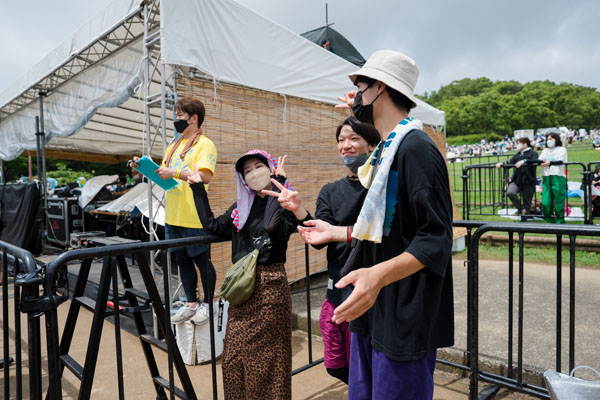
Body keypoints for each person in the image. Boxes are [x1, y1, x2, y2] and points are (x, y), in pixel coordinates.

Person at [298, 50, 454, 399]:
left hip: (404, 312)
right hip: (373, 312)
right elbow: (385, 226)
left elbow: (435, 238)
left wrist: (378, 275)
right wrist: (335, 232)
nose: (356, 97)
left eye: (360, 88)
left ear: (379, 87)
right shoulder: (386, 150)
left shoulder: (416, 149)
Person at [263, 116, 380, 384]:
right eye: (341, 140)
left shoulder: (380, 189)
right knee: (336, 366)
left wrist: (341, 232)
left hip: (369, 294)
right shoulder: (330, 190)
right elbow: (319, 238)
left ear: (372, 146)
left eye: (354, 138)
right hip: (336, 292)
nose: (345, 145)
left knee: (368, 370)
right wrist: (298, 210)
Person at [188, 149, 296, 399]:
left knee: (266, 363)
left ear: (270, 169)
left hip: (270, 289)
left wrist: (279, 184)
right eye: (247, 171)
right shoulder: (241, 209)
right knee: (233, 359)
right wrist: (197, 189)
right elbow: (212, 227)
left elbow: (271, 226)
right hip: (241, 292)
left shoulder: (286, 204)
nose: (253, 173)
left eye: (258, 166)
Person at [132, 97, 217, 324]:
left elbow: (204, 176)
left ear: (193, 118)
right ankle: (191, 303)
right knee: (182, 260)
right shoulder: (173, 146)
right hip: (173, 215)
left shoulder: (205, 144)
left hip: (194, 214)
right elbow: (164, 176)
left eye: (180, 115)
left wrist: (176, 173)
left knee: (202, 261)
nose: (175, 120)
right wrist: (144, 168)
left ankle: (209, 304)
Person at [495, 137, 538, 217]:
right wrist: (502, 164)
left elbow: (536, 160)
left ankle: (524, 217)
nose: (517, 145)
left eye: (518, 143)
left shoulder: (533, 153)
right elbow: (509, 163)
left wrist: (524, 161)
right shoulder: (518, 155)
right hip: (517, 180)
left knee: (527, 201)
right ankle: (521, 209)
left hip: (528, 180)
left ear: (525, 144)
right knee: (510, 192)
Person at [539, 133, 568, 223]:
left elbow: (561, 161)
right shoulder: (545, 150)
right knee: (546, 201)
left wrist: (550, 163)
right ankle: (549, 219)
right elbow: (540, 160)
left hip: (557, 176)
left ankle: (559, 220)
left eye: (551, 139)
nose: (549, 141)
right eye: (548, 139)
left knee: (558, 200)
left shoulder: (561, 149)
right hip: (546, 176)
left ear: (556, 139)